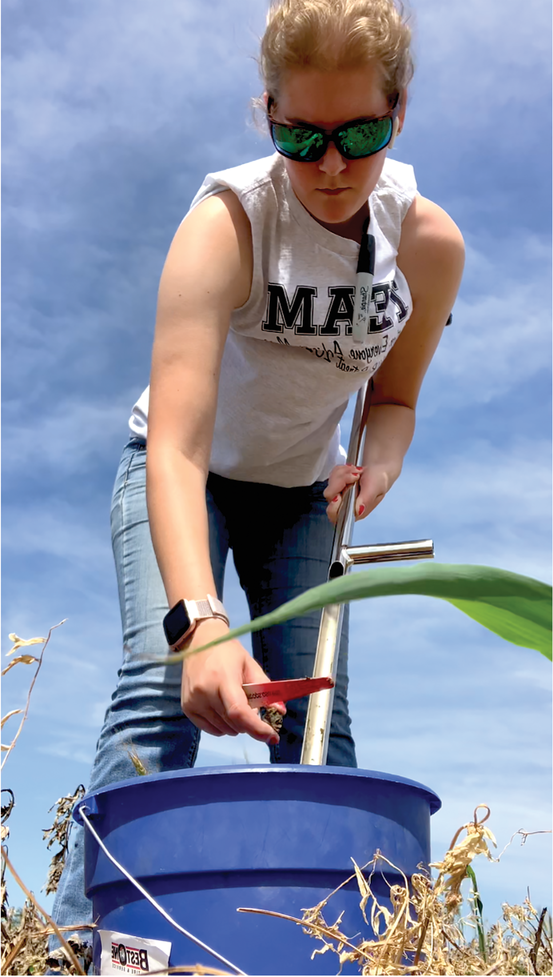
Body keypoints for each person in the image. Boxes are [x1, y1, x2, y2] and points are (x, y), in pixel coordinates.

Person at [51, 0, 464, 945]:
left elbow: (393, 397)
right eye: (298, 133)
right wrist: (200, 621)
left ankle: (339, 938)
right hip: (181, 471)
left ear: (397, 114)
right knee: (163, 683)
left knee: (316, 712)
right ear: (265, 110)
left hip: (299, 498)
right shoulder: (227, 222)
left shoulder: (427, 247)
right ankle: (90, 944)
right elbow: (178, 446)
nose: (327, 164)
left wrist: (383, 457)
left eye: (357, 134)